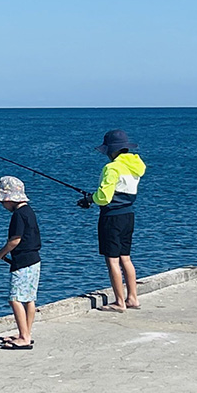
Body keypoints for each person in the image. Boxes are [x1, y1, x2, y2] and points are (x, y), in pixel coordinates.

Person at [77, 129, 146, 312]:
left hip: (112, 217)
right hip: (128, 215)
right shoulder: (136, 166)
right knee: (126, 258)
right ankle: (133, 298)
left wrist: (90, 199)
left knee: (112, 260)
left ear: (111, 150)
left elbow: (104, 197)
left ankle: (119, 302)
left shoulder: (112, 168)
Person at [0, 176, 41, 349]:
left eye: (2, 201)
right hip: (34, 260)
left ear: (9, 199)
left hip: (22, 262)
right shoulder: (29, 211)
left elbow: (15, 240)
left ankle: (24, 338)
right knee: (29, 299)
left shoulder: (18, 215)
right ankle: (25, 332)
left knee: (15, 299)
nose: (2, 206)